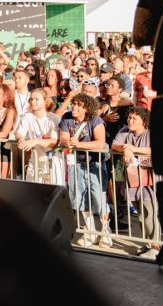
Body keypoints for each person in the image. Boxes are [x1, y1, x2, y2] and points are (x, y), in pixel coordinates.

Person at [59, 93, 112, 247]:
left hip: (94, 164)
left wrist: (77, 144)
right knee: (80, 198)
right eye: (73, 103)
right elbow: (63, 137)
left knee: (99, 198)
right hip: (75, 163)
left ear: (86, 108)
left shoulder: (95, 120)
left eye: (78, 105)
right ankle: (90, 231)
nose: (73, 107)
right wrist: (66, 142)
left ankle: (105, 233)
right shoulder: (67, 117)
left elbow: (100, 143)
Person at [111, 106, 159, 251]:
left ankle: (155, 246)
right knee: (140, 214)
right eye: (129, 117)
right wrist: (126, 148)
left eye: (134, 118)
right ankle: (147, 243)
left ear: (143, 121)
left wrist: (133, 149)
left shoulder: (150, 133)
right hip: (133, 178)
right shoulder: (124, 130)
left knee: (149, 213)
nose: (130, 121)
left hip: (150, 179)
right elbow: (114, 145)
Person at [15, 89, 62, 184]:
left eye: (36, 99)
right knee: (32, 192)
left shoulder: (54, 118)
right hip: (35, 161)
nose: (33, 102)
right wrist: (20, 139)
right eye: (31, 99)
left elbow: (54, 141)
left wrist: (35, 141)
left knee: (52, 194)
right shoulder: (27, 116)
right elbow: (19, 133)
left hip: (53, 161)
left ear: (46, 101)